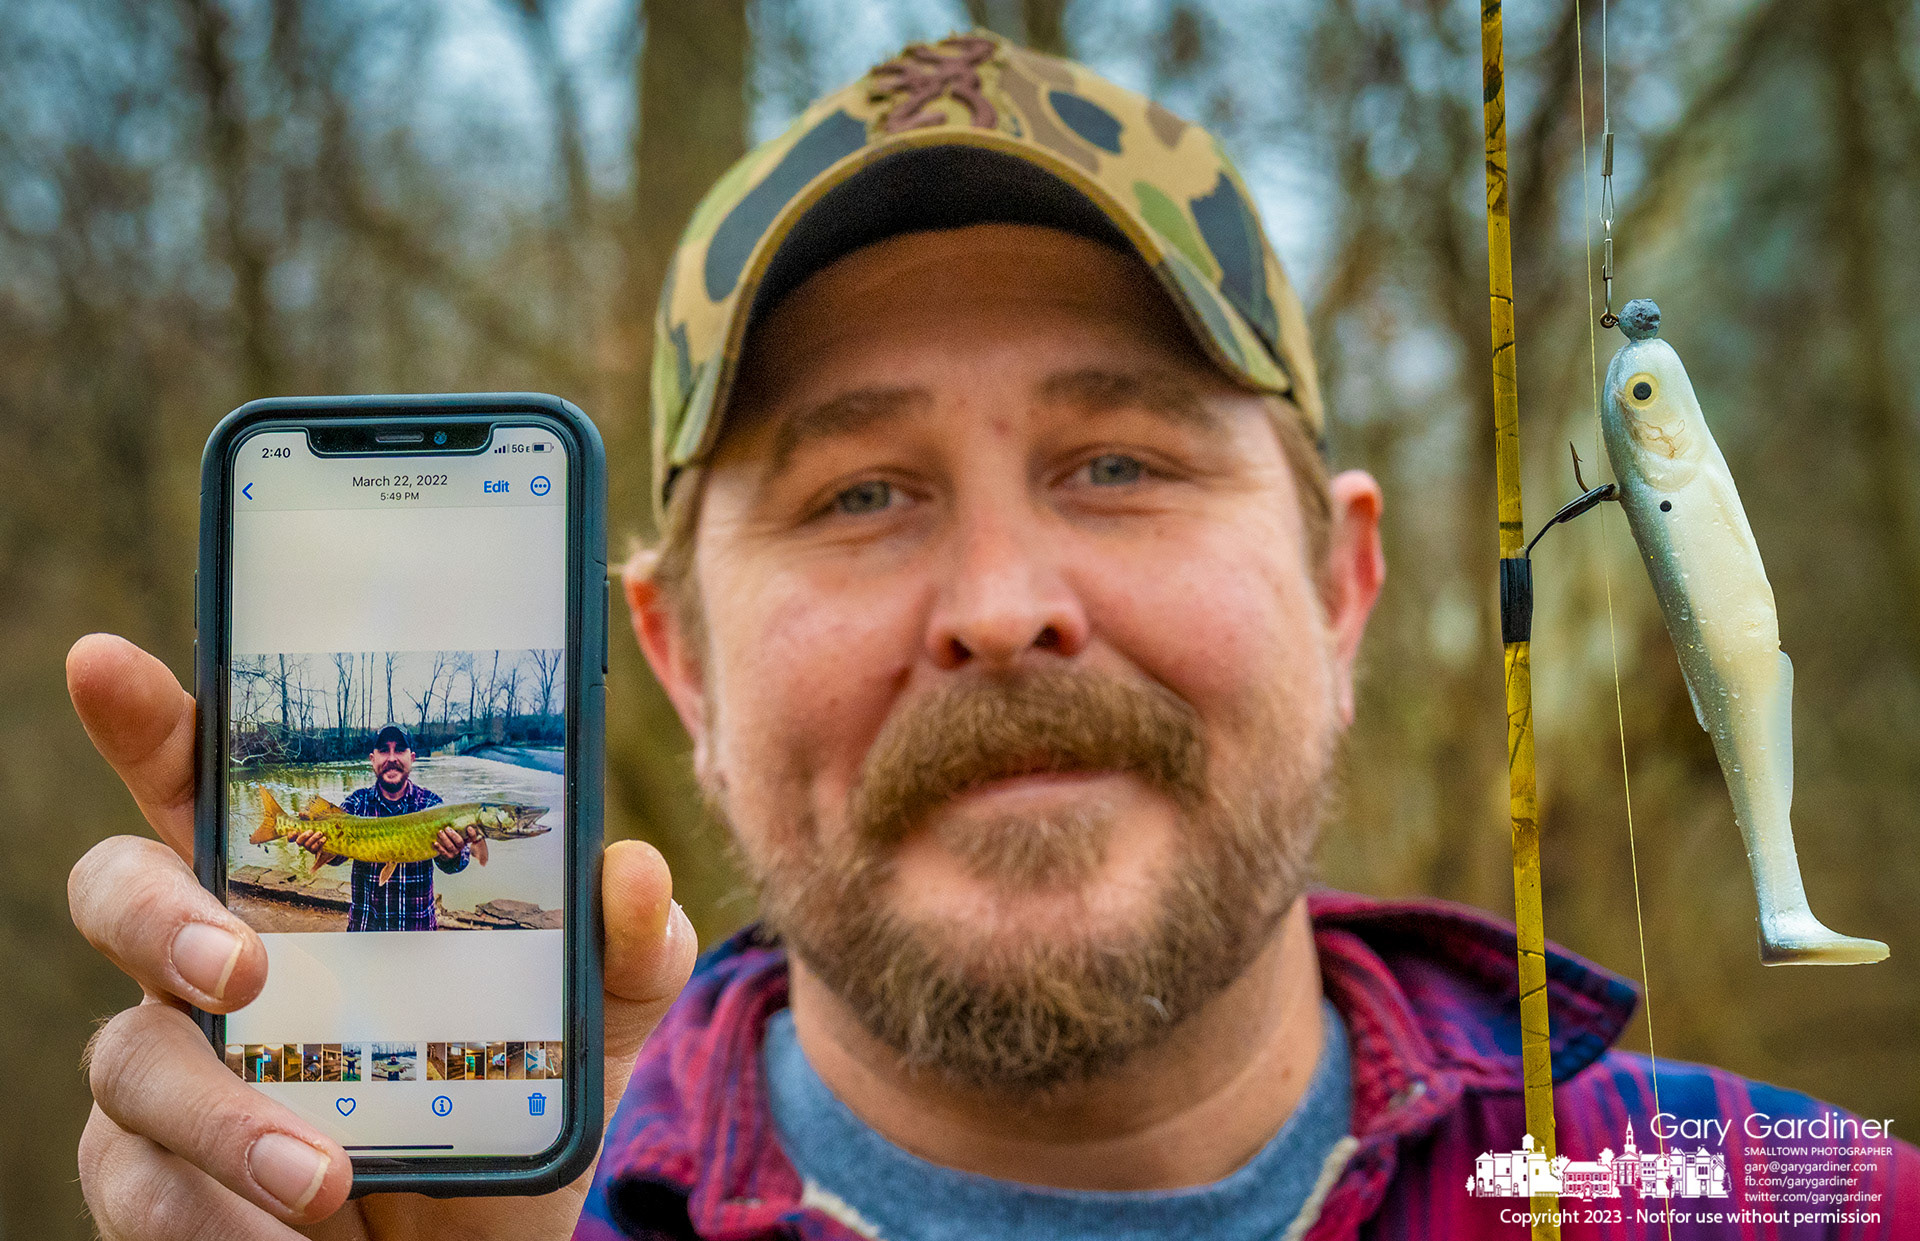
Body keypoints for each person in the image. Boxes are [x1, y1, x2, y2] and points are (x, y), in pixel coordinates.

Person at [63, 31, 1917, 1241]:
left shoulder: (1787, 1208)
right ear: (682, 659)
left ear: (1346, 588)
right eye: (861, 492)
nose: (1004, 602)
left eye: (1117, 458)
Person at [287, 724, 478, 932]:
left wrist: (451, 856)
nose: (392, 758)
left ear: (412, 758)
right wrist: (320, 847)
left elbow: (459, 863)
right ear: (373, 759)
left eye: (400, 750)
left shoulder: (431, 804)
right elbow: (339, 856)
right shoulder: (357, 803)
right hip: (366, 930)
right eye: (384, 750)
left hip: (417, 934)